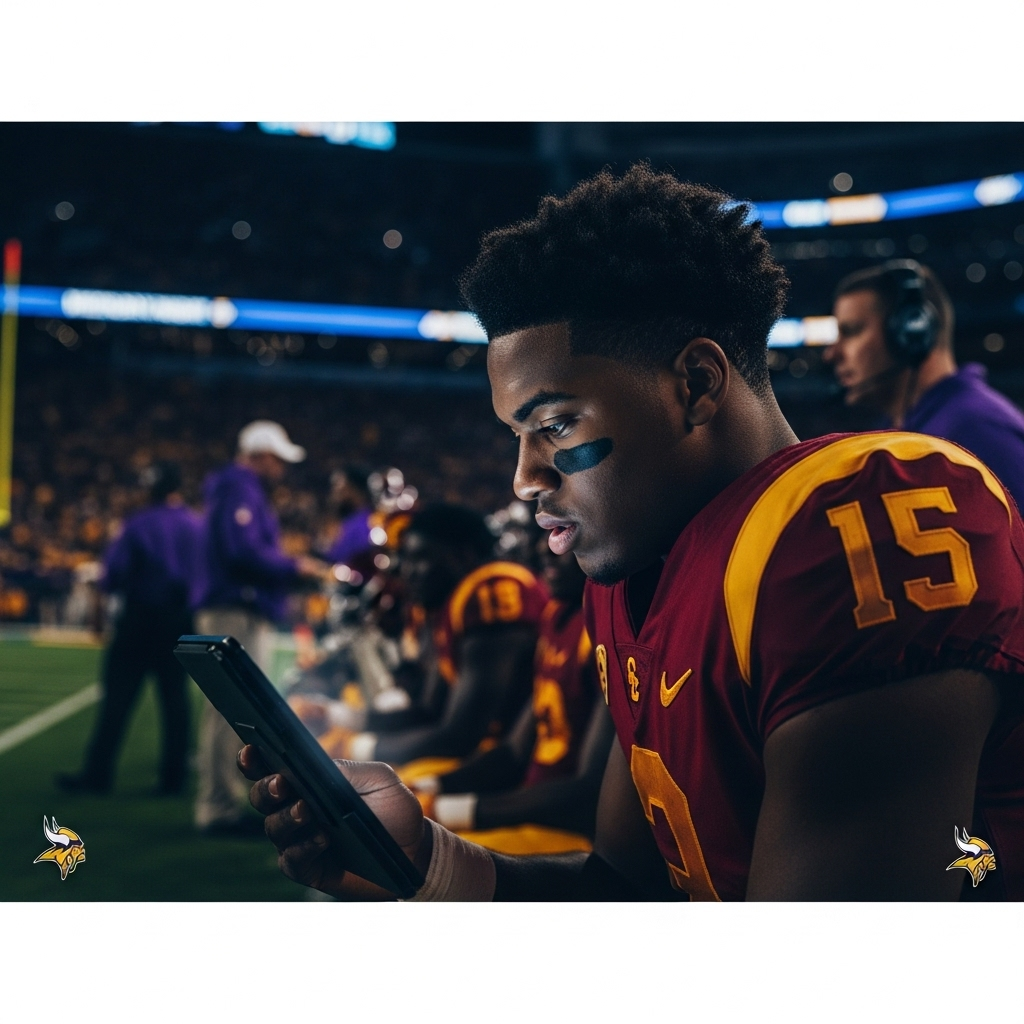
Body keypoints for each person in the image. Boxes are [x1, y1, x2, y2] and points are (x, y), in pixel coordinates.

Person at [241, 165, 1024, 901]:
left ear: (696, 384)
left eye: (555, 425)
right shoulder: (635, 571)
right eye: (517, 435)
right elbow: (627, 888)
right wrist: (426, 861)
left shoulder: (859, 520)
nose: (524, 478)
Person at [413, 543, 613, 851]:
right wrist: (430, 788)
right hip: (534, 810)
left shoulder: (603, 628)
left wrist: (449, 810)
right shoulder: (556, 616)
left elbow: (590, 793)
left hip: (576, 832)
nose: (544, 549)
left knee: (424, 856)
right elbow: (514, 752)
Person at [326, 504, 549, 768]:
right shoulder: (449, 607)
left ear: (464, 556)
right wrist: (338, 716)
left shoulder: (490, 592)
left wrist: (357, 749)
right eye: (406, 559)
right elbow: (429, 711)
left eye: (420, 558)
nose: (408, 572)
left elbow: (460, 736)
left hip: (525, 764)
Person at [194, 420, 326, 835]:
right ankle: (218, 809)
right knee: (228, 710)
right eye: (277, 459)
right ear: (260, 456)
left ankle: (222, 802)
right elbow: (243, 551)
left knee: (232, 710)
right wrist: (295, 566)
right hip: (236, 610)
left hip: (239, 608)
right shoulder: (239, 487)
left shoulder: (236, 488)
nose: (281, 469)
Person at [825, 260, 1024, 509]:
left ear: (912, 331)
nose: (831, 354)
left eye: (851, 331)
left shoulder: (977, 428)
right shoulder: (902, 428)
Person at [57, 462, 202, 796]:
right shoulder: (196, 524)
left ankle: (97, 775)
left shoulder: (138, 522)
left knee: (117, 699)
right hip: (180, 619)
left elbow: (115, 573)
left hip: (139, 618)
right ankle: (173, 778)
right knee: (175, 699)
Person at [324, 466, 375, 566]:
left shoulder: (367, 523)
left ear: (353, 488)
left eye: (338, 484)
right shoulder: (349, 519)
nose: (334, 489)